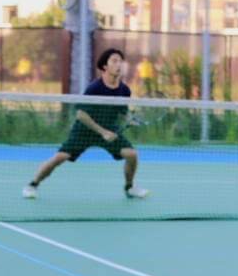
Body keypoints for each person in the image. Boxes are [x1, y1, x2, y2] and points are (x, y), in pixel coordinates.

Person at [23, 48, 150, 201]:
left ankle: (129, 188)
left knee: (132, 154)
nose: (119, 65)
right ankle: (32, 185)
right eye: (114, 61)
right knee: (60, 157)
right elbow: (81, 115)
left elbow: (122, 111)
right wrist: (103, 132)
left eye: (120, 61)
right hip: (84, 130)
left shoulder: (124, 90)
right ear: (105, 66)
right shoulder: (95, 88)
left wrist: (130, 118)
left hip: (109, 129)